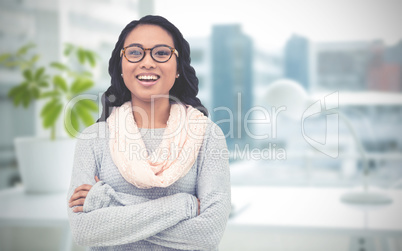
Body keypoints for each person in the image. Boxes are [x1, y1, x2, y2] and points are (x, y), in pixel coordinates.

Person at [67, 15, 231, 250]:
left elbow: (207, 235)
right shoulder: (93, 138)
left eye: (161, 53)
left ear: (177, 68)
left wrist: (107, 202)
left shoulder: (207, 136)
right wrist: (181, 206)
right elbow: (84, 231)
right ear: (121, 66)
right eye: (135, 53)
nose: (147, 62)